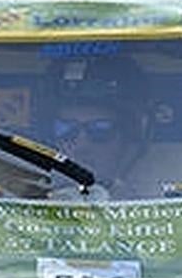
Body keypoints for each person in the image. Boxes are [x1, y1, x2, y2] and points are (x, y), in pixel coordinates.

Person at [47, 57, 149, 198]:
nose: (82, 145)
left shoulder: (154, 209)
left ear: (128, 138)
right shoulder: (21, 204)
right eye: (66, 129)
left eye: (100, 131)